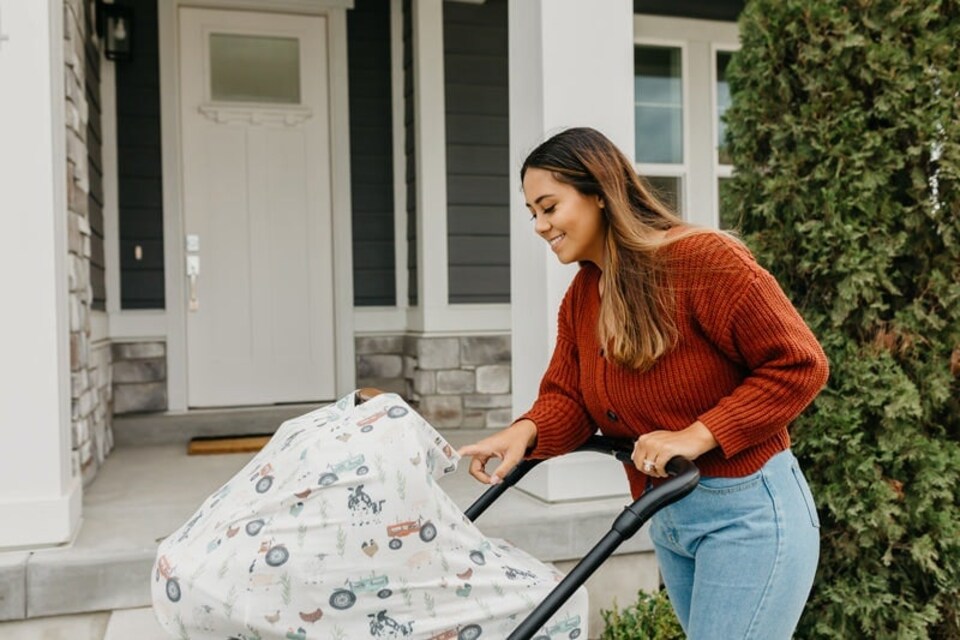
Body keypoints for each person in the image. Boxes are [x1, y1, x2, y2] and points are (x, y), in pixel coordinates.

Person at [458, 127, 830, 639]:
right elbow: (568, 398)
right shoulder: (585, 293)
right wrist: (524, 432)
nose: (540, 225)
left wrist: (698, 435)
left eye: (549, 206)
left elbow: (800, 363)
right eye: (533, 213)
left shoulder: (703, 261)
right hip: (669, 512)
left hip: (748, 514)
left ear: (599, 194)